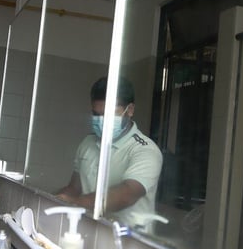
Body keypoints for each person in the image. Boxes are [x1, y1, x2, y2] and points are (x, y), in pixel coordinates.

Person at [55, 76, 163, 231]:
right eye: (96, 114)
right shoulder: (88, 143)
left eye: (109, 114)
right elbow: (74, 188)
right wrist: (54, 200)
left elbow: (127, 194)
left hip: (129, 244)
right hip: (91, 232)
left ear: (130, 110)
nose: (102, 120)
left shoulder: (145, 150)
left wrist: (76, 203)